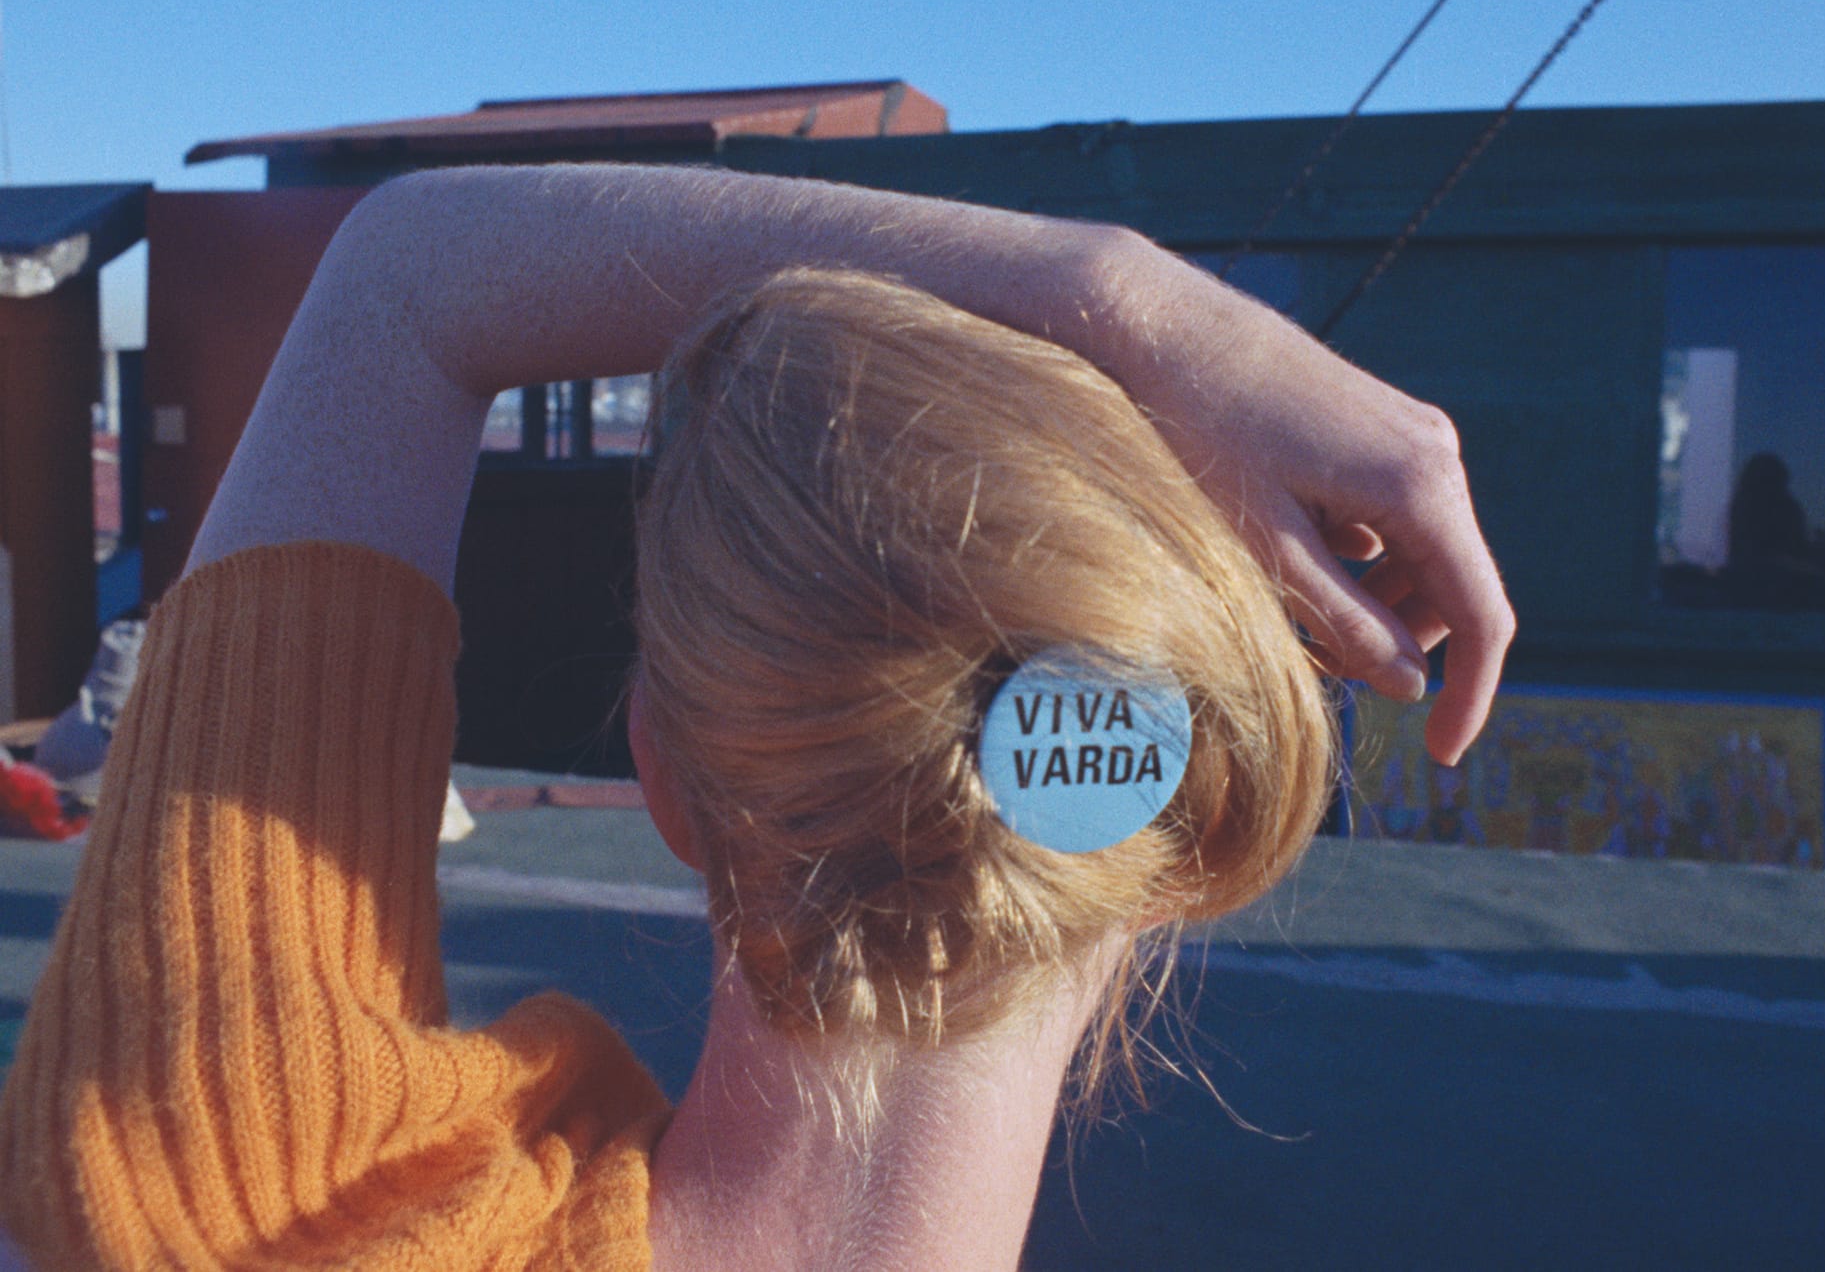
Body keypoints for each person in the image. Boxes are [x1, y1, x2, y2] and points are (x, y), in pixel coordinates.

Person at [0, 165, 1513, 1269]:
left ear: (663, 768)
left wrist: (1119, 295)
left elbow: (406, 274)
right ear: (1181, 824)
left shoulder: (246, 1211)